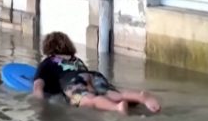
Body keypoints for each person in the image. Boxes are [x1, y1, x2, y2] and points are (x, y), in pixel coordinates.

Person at [32, 31, 161, 114]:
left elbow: (38, 87)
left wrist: (40, 105)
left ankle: (117, 108)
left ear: (48, 48)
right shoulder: (75, 59)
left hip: (73, 82)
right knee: (113, 93)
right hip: (93, 76)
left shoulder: (47, 62)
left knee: (88, 100)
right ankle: (140, 96)